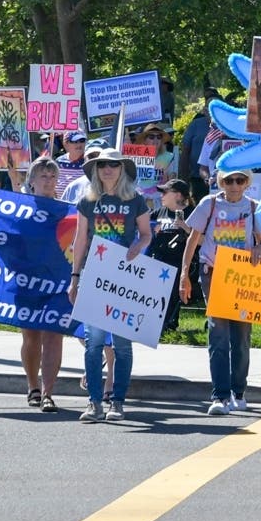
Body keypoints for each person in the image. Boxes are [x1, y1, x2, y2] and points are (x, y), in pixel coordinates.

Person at [67, 149, 152, 422]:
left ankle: (117, 402)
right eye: (102, 164)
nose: (107, 169)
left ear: (122, 169)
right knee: (93, 343)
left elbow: (146, 234)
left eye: (113, 164)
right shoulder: (87, 201)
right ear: (95, 170)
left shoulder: (135, 200)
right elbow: (80, 241)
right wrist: (75, 278)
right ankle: (94, 402)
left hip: (124, 276)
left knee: (122, 345)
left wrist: (138, 245)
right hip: (94, 274)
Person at [179, 166, 261, 415]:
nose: (234, 185)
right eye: (229, 180)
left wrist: (260, 249)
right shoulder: (209, 204)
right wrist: (185, 274)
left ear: (247, 183)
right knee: (218, 335)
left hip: (242, 277)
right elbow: (193, 239)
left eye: (240, 180)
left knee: (241, 338)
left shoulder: (253, 207)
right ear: (221, 182)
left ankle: (238, 391)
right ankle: (219, 395)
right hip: (213, 273)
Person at [14, 158, 64, 413]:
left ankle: (48, 393)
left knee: (54, 336)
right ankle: (32, 386)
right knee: (31, 337)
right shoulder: (17, 209)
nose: (48, 180)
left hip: (58, 284)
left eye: (52, 176)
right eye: (43, 176)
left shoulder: (68, 210)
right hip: (27, 282)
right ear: (31, 181)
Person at [148, 179, 194, 331]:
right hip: (157, 259)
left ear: (178, 195)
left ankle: (168, 324)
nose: (161, 195)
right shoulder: (159, 212)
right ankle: (152, 324)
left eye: (165, 192)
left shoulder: (191, 213)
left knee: (172, 293)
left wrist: (186, 228)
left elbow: (202, 238)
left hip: (178, 262)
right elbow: (144, 227)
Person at [178, 88, 222, 201]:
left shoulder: (232, 130)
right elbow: (185, 151)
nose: (214, 113)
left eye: (218, 109)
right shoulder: (196, 125)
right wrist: (184, 180)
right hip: (199, 179)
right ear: (205, 110)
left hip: (229, 181)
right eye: (211, 109)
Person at [135, 123, 177, 207]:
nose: (155, 140)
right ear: (145, 140)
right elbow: (131, 181)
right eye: (151, 137)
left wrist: (169, 178)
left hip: (160, 200)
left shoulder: (168, 157)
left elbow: (172, 179)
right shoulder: (136, 157)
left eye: (159, 137)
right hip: (140, 200)